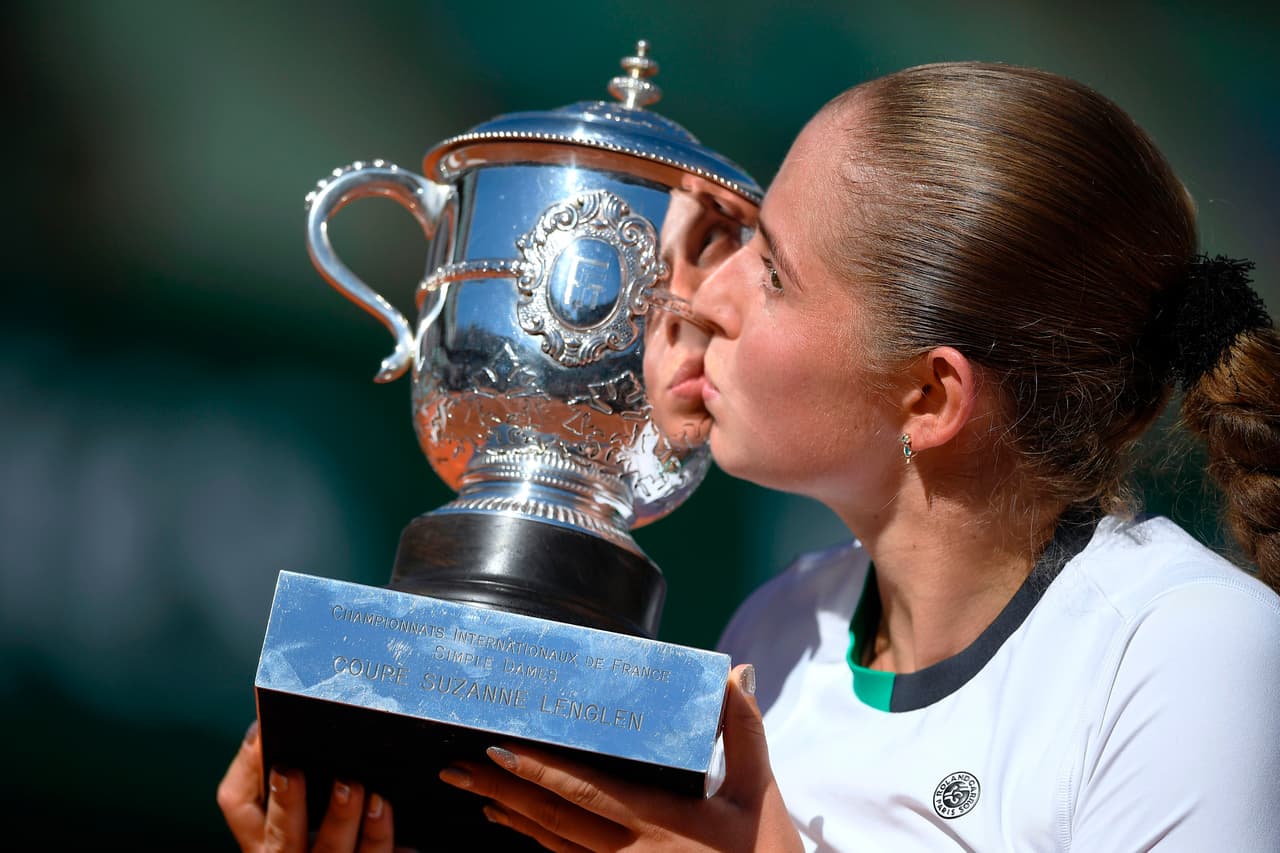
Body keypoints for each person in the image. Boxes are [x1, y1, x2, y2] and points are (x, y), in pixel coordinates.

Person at [219, 61, 1280, 851]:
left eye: (769, 271)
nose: (697, 295)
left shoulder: (1189, 651)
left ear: (928, 396)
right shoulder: (776, 632)